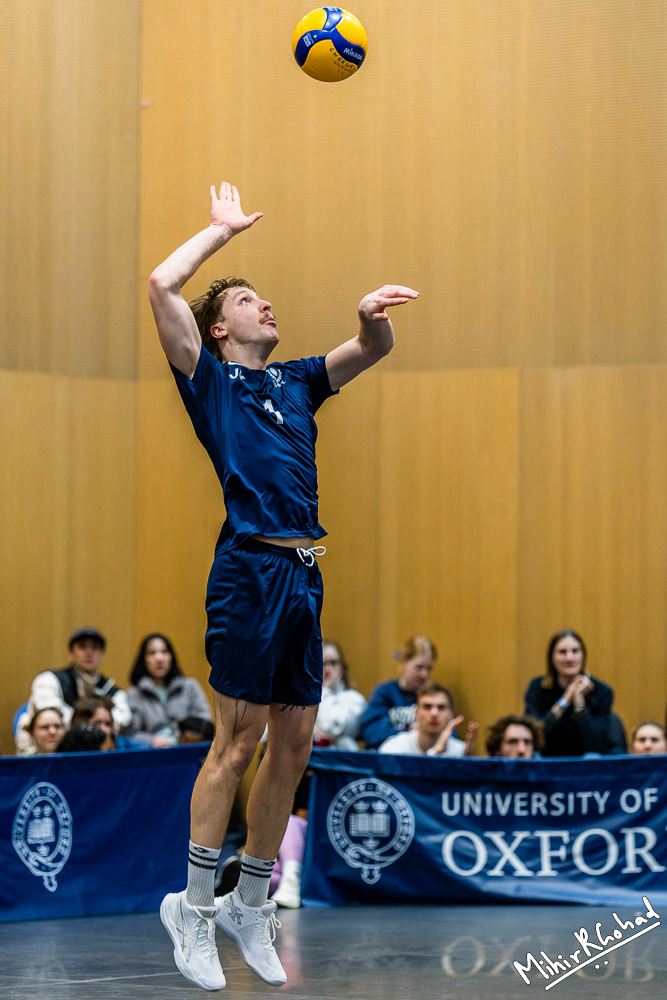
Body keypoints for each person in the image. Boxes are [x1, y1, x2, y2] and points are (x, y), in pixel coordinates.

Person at [148, 181, 418, 992]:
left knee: (294, 747)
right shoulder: (209, 380)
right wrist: (220, 233)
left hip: (303, 574)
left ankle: (250, 901)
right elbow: (161, 285)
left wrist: (370, 317)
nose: (264, 304)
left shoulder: (297, 380)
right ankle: (193, 911)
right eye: (245, 301)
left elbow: (370, 349)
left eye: (262, 297)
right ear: (219, 328)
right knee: (236, 744)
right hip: (249, 571)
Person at [15, 628, 131, 754]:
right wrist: (90, 726)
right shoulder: (49, 680)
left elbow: (119, 723)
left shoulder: (115, 692)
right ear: (70, 653)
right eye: (82, 646)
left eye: (94, 647)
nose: (88, 652)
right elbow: (53, 720)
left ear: (103, 654)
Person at [524, 629, 614, 757]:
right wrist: (565, 700)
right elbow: (533, 739)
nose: (569, 658)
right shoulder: (538, 687)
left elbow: (597, 746)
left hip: (585, 763)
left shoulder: (601, 691)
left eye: (575, 651)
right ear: (551, 658)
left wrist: (579, 704)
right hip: (546, 761)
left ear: (583, 656)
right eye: (562, 652)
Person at [127, 634, 212, 747]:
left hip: (188, 747)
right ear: (143, 659)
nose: (159, 658)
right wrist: (151, 740)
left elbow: (203, 720)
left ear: (171, 656)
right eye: (152, 653)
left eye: (164, 652)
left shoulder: (190, 687)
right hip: (152, 751)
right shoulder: (134, 694)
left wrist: (179, 738)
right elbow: (131, 732)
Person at [362, 635, 437, 749]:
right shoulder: (385, 692)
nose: (424, 674)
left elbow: (448, 733)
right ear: (404, 661)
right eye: (419, 667)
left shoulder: (434, 697)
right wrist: (412, 734)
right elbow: (372, 733)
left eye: (429, 668)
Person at [379, 681, 473, 757]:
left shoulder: (459, 752)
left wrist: (469, 763)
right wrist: (435, 751)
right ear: (416, 713)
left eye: (441, 707)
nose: (434, 713)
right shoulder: (395, 748)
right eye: (427, 707)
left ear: (451, 715)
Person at [313, 640, 366, 750]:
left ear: (343, 667)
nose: (328, 669)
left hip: (342, 758)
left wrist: (327, 691)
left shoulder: (355, 699)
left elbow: (332, 728)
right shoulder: (305, 701)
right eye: (322, 663)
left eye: (333, 663)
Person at [71, 696, 148, 751]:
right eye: (96, 724)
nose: (105, 730)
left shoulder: (124, 746)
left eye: (108, 724)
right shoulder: (71, 751)